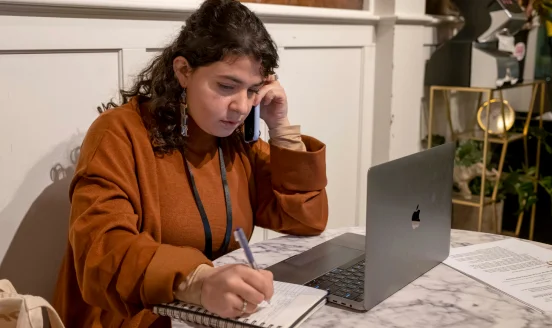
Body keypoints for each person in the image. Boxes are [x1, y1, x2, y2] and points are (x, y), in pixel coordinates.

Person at [52, 0, 329, 326]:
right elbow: (101, 253)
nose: (241, 106)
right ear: (184, 71)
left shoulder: (235, 139)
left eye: (253, 90)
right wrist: (195, 280)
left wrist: (279, 124)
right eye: (226, 86)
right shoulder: (119, 133)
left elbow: (305, 219)